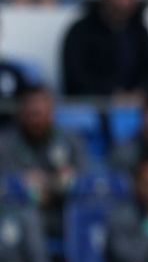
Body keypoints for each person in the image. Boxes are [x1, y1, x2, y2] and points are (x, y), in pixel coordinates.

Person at [0, 86, 88, 253]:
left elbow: (84, 178)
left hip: (62, 209)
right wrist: (29, 187)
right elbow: (6, 184)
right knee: (28, 218)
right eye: (32, 114)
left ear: (52, 113)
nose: (37, 120)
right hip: (19, 213)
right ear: (21, 114)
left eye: (41, 113)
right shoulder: (4, 144)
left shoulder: (69, 140)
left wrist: (49, 183)